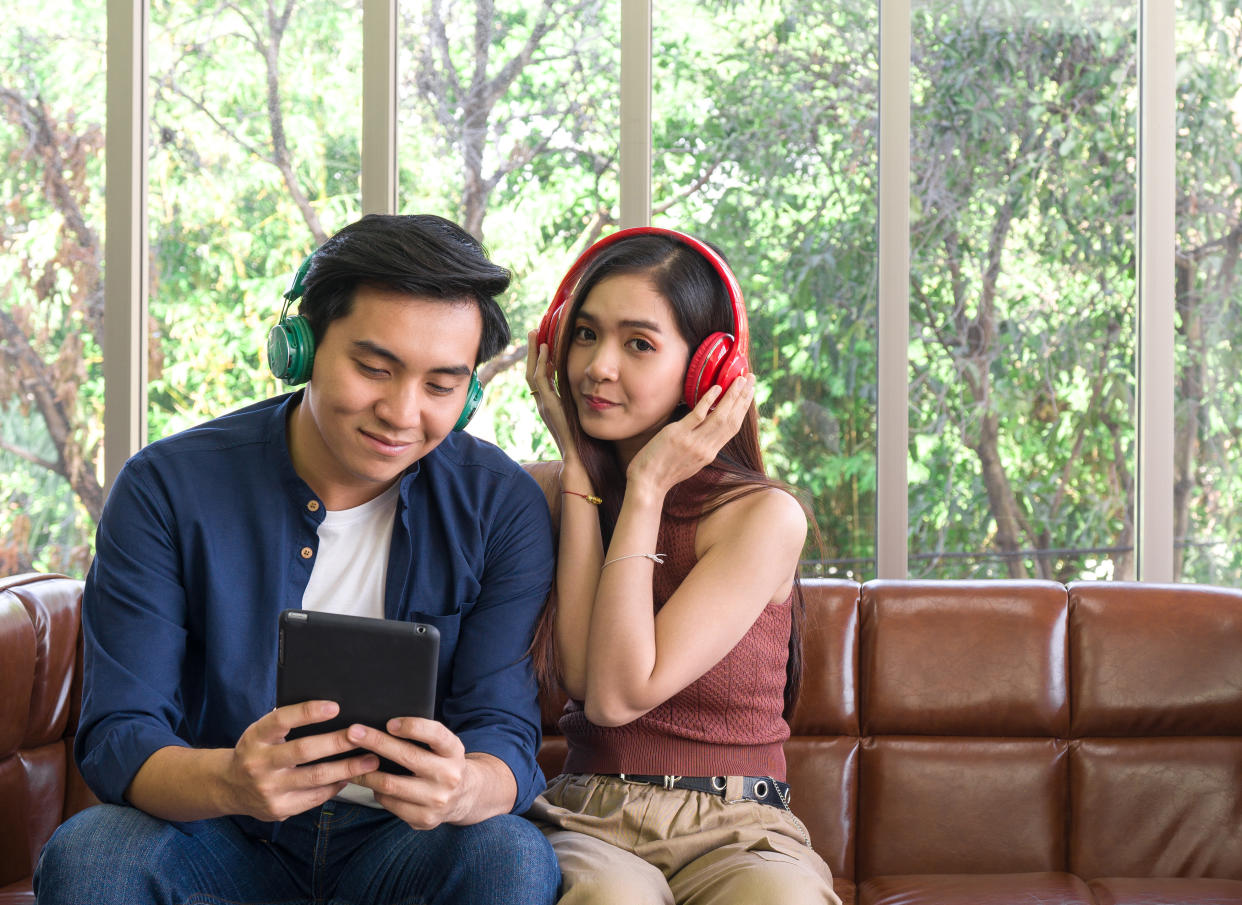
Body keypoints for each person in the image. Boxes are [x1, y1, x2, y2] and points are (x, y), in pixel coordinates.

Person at [33, 213, 561, 905]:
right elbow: (120, 732)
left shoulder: (501, 505)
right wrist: (229, 780)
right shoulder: (167, 485)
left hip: (402, 843)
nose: (403, 412)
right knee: (94, 854)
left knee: (510, 858)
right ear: (301, 345)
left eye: (440, 385)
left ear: (469, 393)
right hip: (219, 831)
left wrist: (466, 787)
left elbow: (505, 732)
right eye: (374, 367)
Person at [521, 226, 841, 904]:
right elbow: (591, 681)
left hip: (741, 828)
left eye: (638, 343)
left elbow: (624, 690)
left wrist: (647, 486)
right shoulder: (559, 488)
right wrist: (581, 477)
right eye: (584, 334)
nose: (598, 366)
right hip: (592, 818)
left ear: (707, 370)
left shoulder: (764, 517)